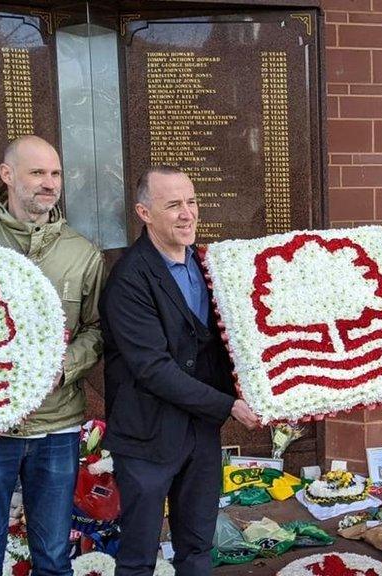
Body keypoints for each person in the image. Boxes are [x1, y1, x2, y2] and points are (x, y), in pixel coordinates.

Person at [0, 135, 105, 576]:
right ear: (7, 175)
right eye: (37, 173)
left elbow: (97, 329)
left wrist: (63, 367)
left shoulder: (82, 252)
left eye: (55, 174)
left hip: (56, 426)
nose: (49, 183)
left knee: (54, 559)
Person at [101, 166, 261, 576]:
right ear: (144, 212)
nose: (186, 213)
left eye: (191, 202)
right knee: (138, 557)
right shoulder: (129, 278)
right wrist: (231, 405)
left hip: (200, 436)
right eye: (173, 205)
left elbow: (232, 343)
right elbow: (153, 369)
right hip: (147, 439)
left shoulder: (208, 268)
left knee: (196, 549)